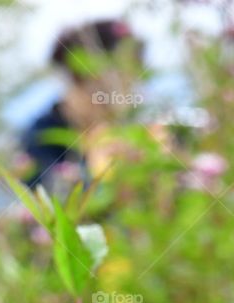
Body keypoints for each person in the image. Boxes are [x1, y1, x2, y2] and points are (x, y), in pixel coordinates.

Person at [22, 19, 143, 189]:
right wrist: (92, 170)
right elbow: (39, 198)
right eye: (99, 86)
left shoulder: (139, 128)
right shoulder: (43, 137)